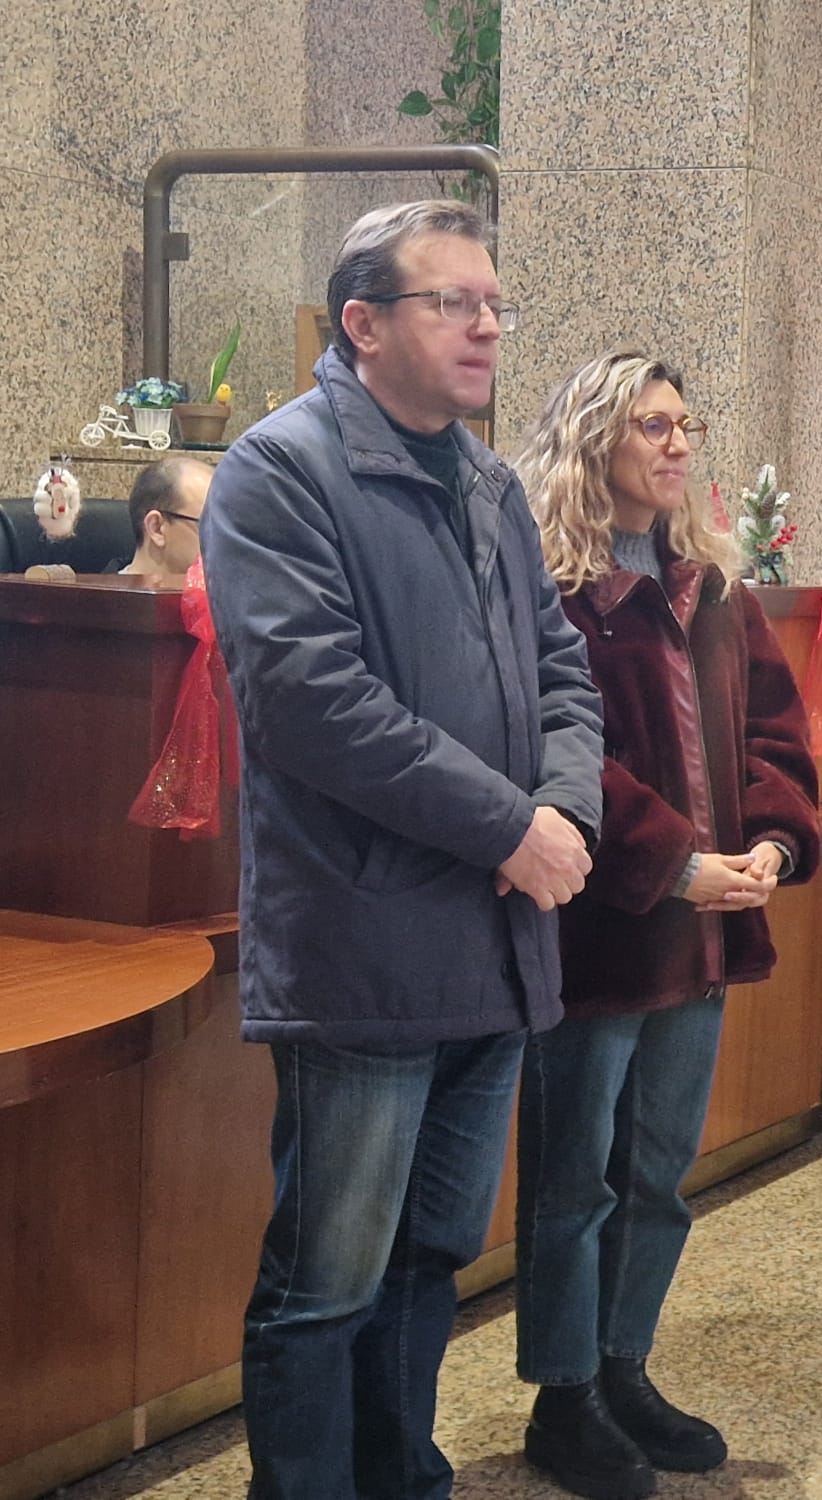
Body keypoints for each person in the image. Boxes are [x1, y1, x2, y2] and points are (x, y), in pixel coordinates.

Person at [203, 200, 604, 1500]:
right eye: (453, 303)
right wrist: (511, 826)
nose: (486, 326)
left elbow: (561, 672)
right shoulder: (280, 470)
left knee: (431, 1259)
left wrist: (565, 813)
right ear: (362, 323)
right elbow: (314, 704)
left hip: (493, 945)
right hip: (367, 946)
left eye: (493, 303)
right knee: (328, 1280)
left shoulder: (488, 483)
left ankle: (402, 1479)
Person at [510, 352, 821, 1500]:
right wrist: (670, 863)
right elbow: (558, 756)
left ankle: (621, 1366)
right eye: (652, 425)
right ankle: (563, 1396)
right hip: (598, 934)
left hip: (699, 938)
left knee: (654, 1177)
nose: (678, 444)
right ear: (593, 439)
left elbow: (775, 734)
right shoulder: (550, 589)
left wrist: (771, 842)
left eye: (685, 424)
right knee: (572, 1183)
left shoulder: (711, 585)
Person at [120, 455, 211, 581]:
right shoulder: (99, 593)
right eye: (210, 526)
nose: (225, 541)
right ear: (156, 528)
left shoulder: (225, 591)